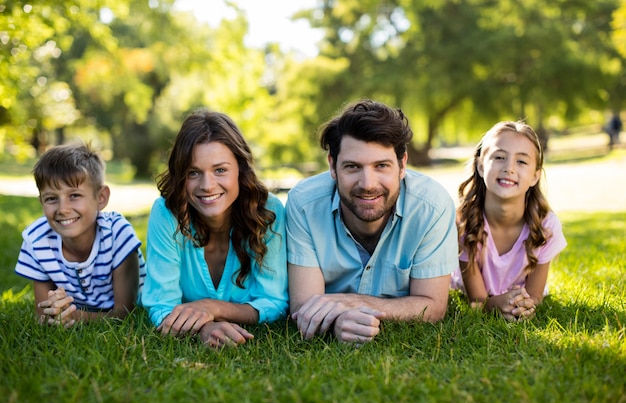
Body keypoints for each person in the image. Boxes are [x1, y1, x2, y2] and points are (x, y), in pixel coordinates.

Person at [286, 99, 458, 344]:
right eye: (353, 167)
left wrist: (354, 303)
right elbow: (305, 307)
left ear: (402, 165)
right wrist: (338, 322)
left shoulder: (431, 206)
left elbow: (433, 306)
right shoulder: (304, 205)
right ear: (332, 166)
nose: (367, 184)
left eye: (381, 166)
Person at [141, 109, 288, 348]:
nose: (207, 185)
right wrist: (205, 327)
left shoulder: (268, 211)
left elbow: (274, 302)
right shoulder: (167, 213)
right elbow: (161, 305)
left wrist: (213, 307)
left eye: (220, 170)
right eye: (193, 172)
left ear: (240, 169)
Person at [15, 143, 146, 327]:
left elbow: (126, 314)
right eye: (51, 199)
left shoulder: (117, 235)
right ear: (41, 202)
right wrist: (54, 311)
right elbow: (42, 315)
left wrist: (75, 317)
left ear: (101, 198)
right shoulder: (36, 240)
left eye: (74, 195)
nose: (63, 209)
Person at [453, 121, 567, 321]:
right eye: (499, 157)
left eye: (521, 161)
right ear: (481, 166)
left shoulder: (546, 226)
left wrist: (523, 305)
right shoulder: (463, 222)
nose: (509, 168)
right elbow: (476, 301)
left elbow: (535, 296)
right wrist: (493, 304)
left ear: (534, 176)